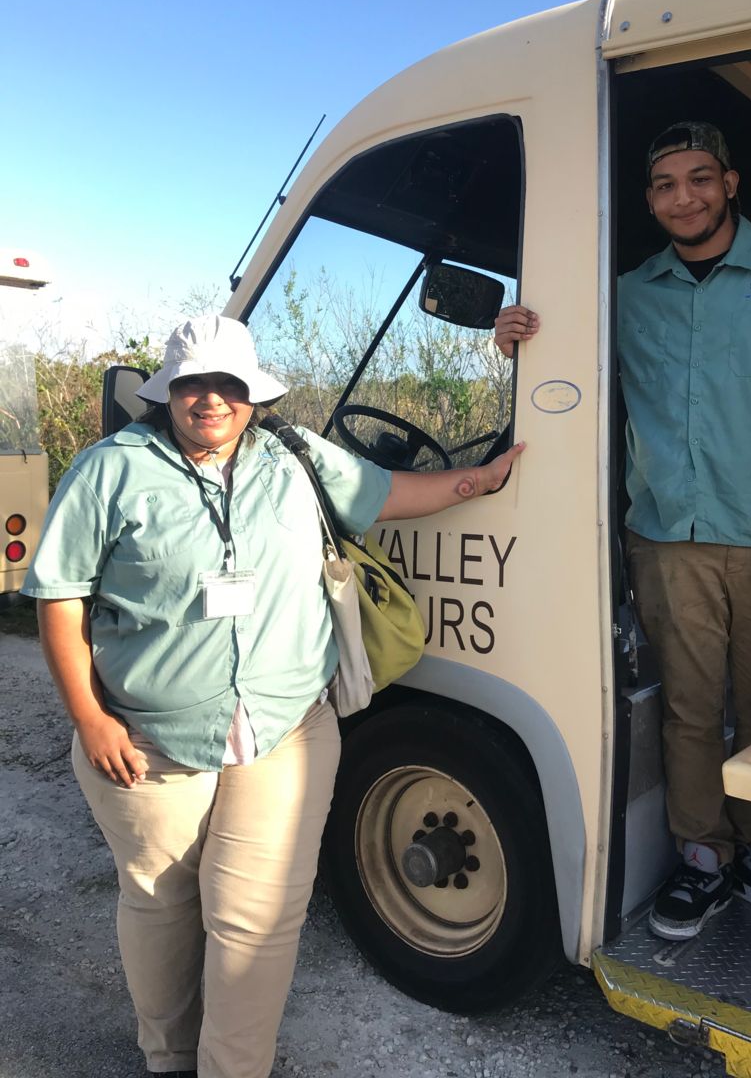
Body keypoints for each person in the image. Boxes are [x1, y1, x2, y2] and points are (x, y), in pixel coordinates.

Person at [23, 314, 525, 1078]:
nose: (211, 400)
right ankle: (167, 1057)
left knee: (255, 923)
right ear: (168, 393)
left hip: (286, 731)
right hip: (148, 741)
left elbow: (390, 493)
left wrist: (478, 480)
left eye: (229, 384)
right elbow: (59, 599)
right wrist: (89, 718)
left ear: (253, 394)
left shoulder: (295, 458)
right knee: (161, 904)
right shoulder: (109, 468)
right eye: (194, 384)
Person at [494, 122, 751, 942]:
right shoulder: (628, 293)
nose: (683, 197)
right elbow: (553, 353)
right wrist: (512, 333)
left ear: (730, 183)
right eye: (665, 185)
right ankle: (704, 860)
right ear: (650, 199)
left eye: (700, 179)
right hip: (666, 541)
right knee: (691, 710)